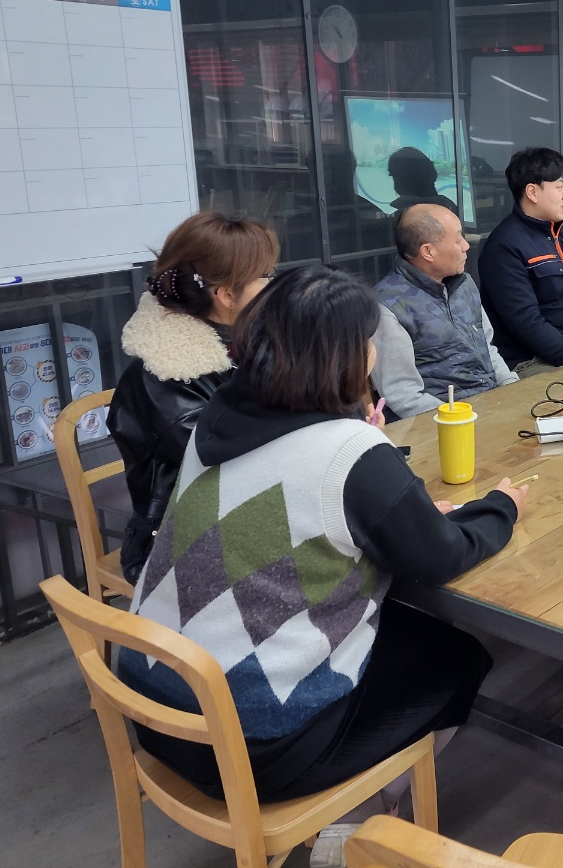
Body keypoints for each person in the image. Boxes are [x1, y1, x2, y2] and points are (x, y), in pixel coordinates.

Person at [115, 265, 526, 864]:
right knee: (459, 659)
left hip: (157, 710)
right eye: (368, 340)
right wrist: (501, 508)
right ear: (347, 356)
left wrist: (398, 509)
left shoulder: (215, 419)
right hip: (254, 748)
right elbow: (442, 556)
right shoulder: (348, 450)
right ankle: (354, 830)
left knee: (404, 630)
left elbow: (300, 506)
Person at [106, 212, 279, 584]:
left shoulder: (245, 341)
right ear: (227, 295)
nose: (273, 285)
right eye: (266, 276)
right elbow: (233, 464)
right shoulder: (164, 374)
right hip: (180, 545)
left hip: (256, 520)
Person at [477, 147, 563, 374]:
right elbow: (526, 322)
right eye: (559, 187)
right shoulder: (504, 246)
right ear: (532, 192)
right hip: (535, 361)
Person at [371, 203, 517, 418]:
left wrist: (512, 388)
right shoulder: (388, 306)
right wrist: (458, 419)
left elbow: (488, 348)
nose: (466, 246)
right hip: (442, 420)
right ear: (428, 251)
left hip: (492, 403)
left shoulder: (464, 284)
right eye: (458, 240)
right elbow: (403, 394)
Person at [387, 146, 458, 215]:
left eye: (393, 175)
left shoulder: (400, 216)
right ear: (433, 174)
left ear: (399, 181)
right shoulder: (452, 211)